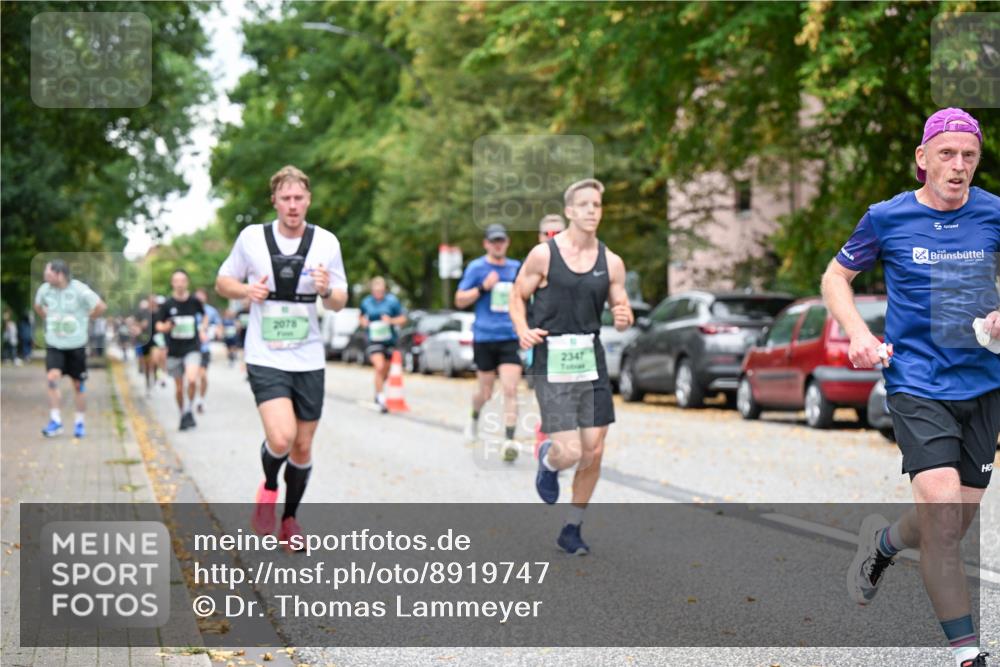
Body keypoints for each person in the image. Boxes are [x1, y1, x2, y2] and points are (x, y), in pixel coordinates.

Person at [822, 108, 1000, 667]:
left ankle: (882, 546)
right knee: (944, 519)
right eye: (947, 154)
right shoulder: (886, 217)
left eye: (969, 156)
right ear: (922, 159)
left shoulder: (995, 212)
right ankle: (967, 653)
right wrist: (856, 334)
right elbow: (835, 278)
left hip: (985, 382)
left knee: (950, 523)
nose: (959, 166)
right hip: (917, 380)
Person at [216, 165, 348, 546]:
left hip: (309, 358)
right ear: (274, 200)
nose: (293, 205)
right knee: (281, 437)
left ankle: (289, 520)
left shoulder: (326, 242)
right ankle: (269, 488)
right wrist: (245, 292)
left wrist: (326, 290)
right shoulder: (252, 238)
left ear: (308, 200)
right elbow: (222, 281)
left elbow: (341, 300)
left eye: (299, 198)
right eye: (285, 198)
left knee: (303, 446)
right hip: (265, 355)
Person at [510, 178, 633, 555]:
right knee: (571, 452)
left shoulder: (611, 262)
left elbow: (620, 303)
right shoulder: (544, 256)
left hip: (590, 359)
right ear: (569, 211)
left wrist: (624, 314)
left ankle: (572, 527)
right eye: (584, 205)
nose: (592, 211)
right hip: (552, 359)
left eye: (597, 204)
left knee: (594, 450)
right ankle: (548, 461)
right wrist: (523, 330)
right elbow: (517, 295)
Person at [455, 223, 524, 461]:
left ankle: (510, 440)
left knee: (511, 389)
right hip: (484, 336)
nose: (498, 244)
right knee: (485, 391)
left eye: (501, 240)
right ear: (486, 243)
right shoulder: (477, 267)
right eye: (493, 241)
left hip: (510, 336)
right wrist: (483, 287)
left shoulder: (516, 268)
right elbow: (460, 300)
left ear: (507, 242)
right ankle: (474, 416)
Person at [33, 259, 107, 437]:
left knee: (78, 385)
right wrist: (48, 318)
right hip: (54, 344)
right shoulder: (45, 290)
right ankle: (56, 420)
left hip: (76, 345)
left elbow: (101, 306)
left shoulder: (79, 289)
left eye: (48, 274)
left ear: (60, 274)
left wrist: (88, 317)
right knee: (52, 379)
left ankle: (80, 422)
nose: (45, 277)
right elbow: (37, 306)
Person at [529, 214, 567, 452]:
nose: (552, 239)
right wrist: (524, 329)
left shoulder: (578, 261)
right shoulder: (533, 263)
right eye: (548, 234)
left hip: (572, 341)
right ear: (540, 236)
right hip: (541, 341)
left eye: (557, 234)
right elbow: (517, 299)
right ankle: (545, 435)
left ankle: (554, 433)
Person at [156, 270, 207, 431]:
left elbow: (204, 316)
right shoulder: (167, 304)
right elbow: (158, 325)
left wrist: (203, 329)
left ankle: (189, 408)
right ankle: (182, 412)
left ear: (187, 282)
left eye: (182, 280)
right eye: (176, 281)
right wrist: (166, 327)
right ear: (172, 283)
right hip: (174, 349)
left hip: (192, 347)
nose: (179, 284)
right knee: (179, 387)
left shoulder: (194, 301)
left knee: (192, 380)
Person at [358, 277, 406, 413]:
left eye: (380, 289)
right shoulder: (366, 302)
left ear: (384, 289)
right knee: (379, 366)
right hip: (373, 339)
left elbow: (403, 319)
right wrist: (363, 322)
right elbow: (360, 316)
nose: (378, 292)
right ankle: (380, 397)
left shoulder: (392, 301)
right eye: (375, 289)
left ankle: (378, 391)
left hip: (389, 340)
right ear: (372, 290)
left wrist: (391, 320)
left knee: (386, 369)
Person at [193, 288, 223, 414]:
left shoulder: (211, 311)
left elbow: (219, 325)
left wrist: (218, 332)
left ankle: (201, 399)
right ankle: (192, 399)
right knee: (192, 378)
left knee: (203, 376)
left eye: (202, 296)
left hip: (204, 348)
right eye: (197, 296)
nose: (199, 299)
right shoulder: (190, 309)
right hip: (190, 348)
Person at [133, 296, 158, 396]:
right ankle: (148, 385)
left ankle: (156, 377)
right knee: (147, 365)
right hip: (145, 341)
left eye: (154, 300)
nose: (152, 302)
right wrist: (140, 326)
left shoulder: (159, 312)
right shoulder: (142, 313)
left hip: (156, 341)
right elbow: (134, 324)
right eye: (150, 301)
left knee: (155, 361)